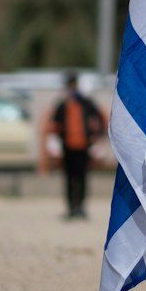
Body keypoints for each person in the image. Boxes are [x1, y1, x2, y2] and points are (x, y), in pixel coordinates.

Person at [46, 73, 105, 220]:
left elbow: (100, 117)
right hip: (68, 147)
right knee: (69, 178)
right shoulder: (63, 105)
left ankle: (81, 207)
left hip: (84, 146)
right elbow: (54, 125)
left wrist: (98, 136)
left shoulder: (86, 103)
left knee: (82, 177)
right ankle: (71, 208)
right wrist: (55, 143)